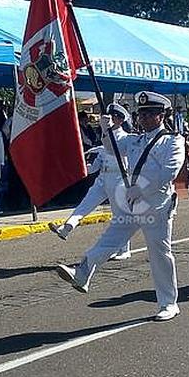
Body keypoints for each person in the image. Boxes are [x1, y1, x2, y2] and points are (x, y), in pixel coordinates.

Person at [56, 91, 186, 321]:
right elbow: (111, 148)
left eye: (150, 114)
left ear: (162, 115)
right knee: (110, 238)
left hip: (157, 205)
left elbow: (169, 172)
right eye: (141, 114)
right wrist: (106, 129)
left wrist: (141, 189)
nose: (144, 118)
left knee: (159, 254)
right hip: (132, 204)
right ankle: (82, 271)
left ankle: (168, 303)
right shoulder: (135, 139)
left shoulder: (173, 140)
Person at [49, 103, 132, 260]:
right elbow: (95, 165)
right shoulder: (104, 138)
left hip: (118, 179)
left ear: (120, 120)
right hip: (103, 178)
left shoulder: (124, 138)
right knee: (85, 204)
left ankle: (124, 249)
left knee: (120, 214)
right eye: (108, 116)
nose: (108, 119)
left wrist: (107, 132)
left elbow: (113, 148)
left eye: (113, 117)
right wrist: (83, 169)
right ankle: (66, 228)